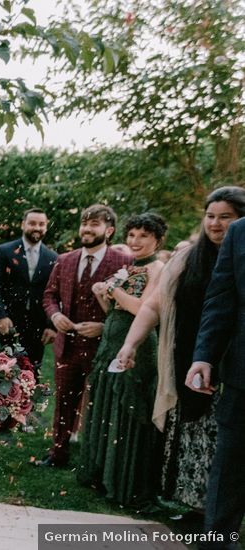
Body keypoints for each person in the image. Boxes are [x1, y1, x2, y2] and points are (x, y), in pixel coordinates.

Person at [117, 187, 245, 512]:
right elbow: (153, 306)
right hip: (190, 363)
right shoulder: (187, 258)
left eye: (225, 217)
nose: (215, 224)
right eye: (210, 216)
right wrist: (130, 345)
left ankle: (217, 516)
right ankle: (195, 510)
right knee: (189, 440)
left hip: (233, 368)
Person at [77, 213, 167, 506]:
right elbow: (112, 310)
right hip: (111, 341)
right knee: (107, 405)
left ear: (157, 239)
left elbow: (143, 309)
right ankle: (103, 474)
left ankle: (127, 480)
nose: (135, 241)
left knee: (129, 407)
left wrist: (113, 289)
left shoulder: (158, 268)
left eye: (143, 236)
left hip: (138, 346)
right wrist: (102, 293)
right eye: (131, 235)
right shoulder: (128, 267)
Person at [37, 204, 131, 468]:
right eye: (84, 223)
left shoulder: (124, 262)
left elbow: (130, 307)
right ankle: (58, 454)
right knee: (64, 401)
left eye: (95, 224)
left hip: (103, 348)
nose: (87, 229)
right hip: (66, 345)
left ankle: (96, 462)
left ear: (109, 230)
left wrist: (103, 326)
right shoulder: (65, 259)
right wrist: (55, 316)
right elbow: (49, 295)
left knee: (101, 405)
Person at [187, 214, 245, 550]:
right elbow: (221, 299)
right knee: (229, 475)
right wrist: (203, 355)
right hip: (241, 376)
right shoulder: (239, 232)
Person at [0, 208, 58, 380]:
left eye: (41, 224)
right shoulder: (4, 251)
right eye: (32, 223)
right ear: (23, 224)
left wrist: (51, 325)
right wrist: (0, 315)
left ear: (46, 227)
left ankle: (28, 407)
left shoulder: (53, 257)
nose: (37, 227)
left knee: (31, 374)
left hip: (37, 325)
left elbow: (55, 293)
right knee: (0, 371)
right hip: (7, 321)